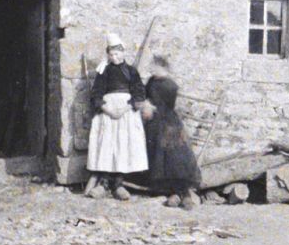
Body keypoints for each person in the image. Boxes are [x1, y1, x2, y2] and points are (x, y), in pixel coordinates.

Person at [84, 33, 148, 200]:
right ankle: (104, 183)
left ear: (123, 53)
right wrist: (108, 110)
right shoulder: (103, 71)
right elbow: (96, 94)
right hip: (108, 112)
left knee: (123, 145)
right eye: (111, 54)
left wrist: (125, 108)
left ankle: (118, 184)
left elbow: (139, 93)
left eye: (117, 53)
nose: (115, 57)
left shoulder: (132, 72)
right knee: (107, 145)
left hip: (126, 113)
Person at [143, 67, 203, 209]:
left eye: (158, 67)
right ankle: (175, 193)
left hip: (168, 119)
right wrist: (146, 105)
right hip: (153, 122)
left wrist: (153, 107)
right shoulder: (151, 81)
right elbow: (144, 97)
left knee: (175, 149)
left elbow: (168, 105)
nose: (155, 71)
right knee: (158, 150)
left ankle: (184, 193)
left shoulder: (170, 85)